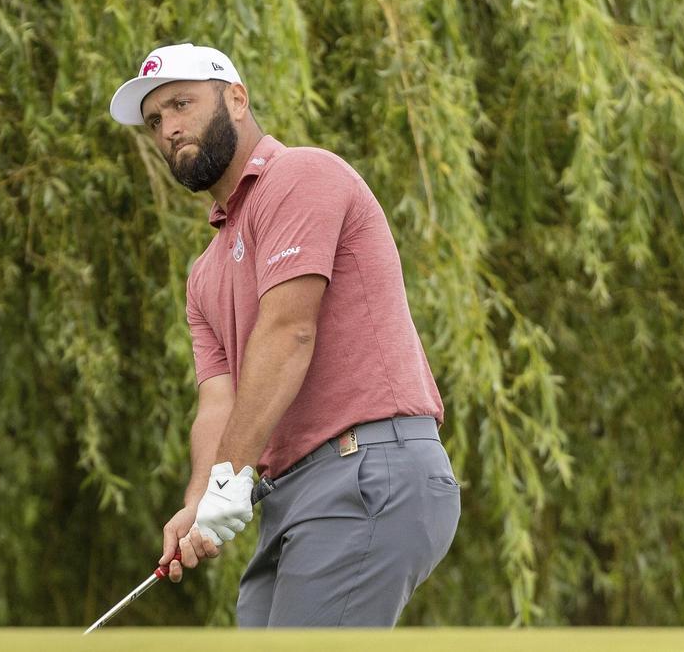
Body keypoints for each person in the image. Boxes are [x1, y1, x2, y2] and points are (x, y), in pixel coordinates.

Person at [108, 43, 461, 627]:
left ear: (237, 100)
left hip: (368, 470)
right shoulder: (204, 274)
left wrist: (231, 475)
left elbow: (290, 332)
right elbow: (218, 401)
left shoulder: (301, 175)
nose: (169, 128)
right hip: (293, 498)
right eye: (154, 121)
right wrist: (200, 499)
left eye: (181, 104)